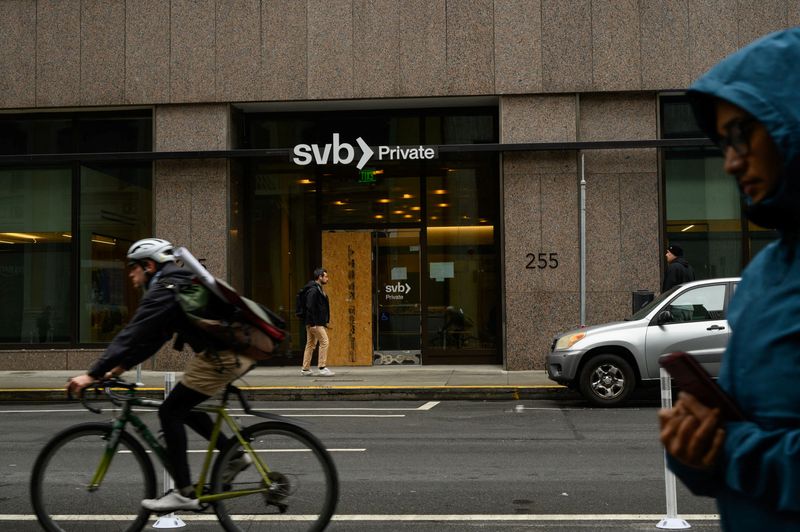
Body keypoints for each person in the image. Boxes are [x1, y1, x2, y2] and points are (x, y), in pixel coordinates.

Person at [658, 28, 800, 531]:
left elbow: (744, 446)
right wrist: (692, 450)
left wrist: (727, 450)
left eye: (743, 134)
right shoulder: (763, 275)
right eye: (723, 142)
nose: (730, 161)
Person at [66, 238, 256, 513]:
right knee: (184, 408)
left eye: (133, 268)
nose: (130, 274)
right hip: (226, 354)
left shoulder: (165, 288)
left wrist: (91, 375)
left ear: (149, 265)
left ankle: (184, 491)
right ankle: (233, 455)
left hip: (223, 357)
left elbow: (133, 332)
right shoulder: (176, 284)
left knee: (170, 412)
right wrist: (119, 368)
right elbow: (155, 337)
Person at [300, 267, 334, 376]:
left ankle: (305, 369)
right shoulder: (314, 290)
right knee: (324, 342)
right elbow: (310, 307)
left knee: (310, 344)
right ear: (320, 277)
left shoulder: (317, 289)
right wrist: (313, 323)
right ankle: (322, 367)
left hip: (314, 322)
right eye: (326, 276)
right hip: (315, 323)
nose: (327, 279)